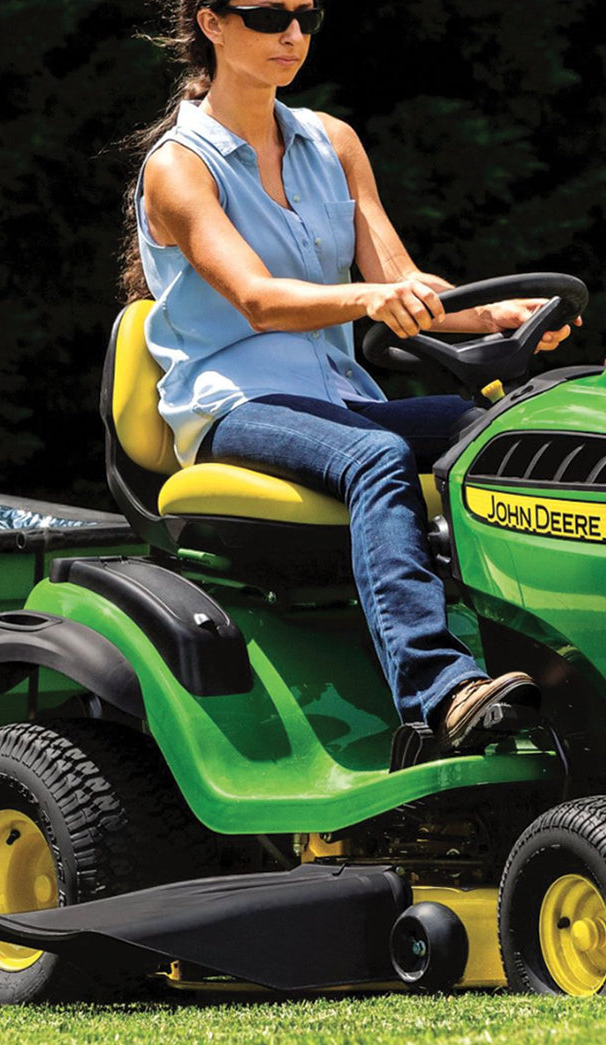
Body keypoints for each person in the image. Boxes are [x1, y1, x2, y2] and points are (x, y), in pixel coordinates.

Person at [124, 0, 576, 749]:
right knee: (377, 458)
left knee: (513, 433)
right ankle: (442, 689)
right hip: (233, 407)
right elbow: (259, 300)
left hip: (338, 399)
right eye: (270, 15)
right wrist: (371, 298)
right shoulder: (179, 168)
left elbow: (402, 282)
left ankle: (552, 656)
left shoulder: (332, 142)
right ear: (212, 23)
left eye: (307, 16)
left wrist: (498, 315)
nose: (292, 35)